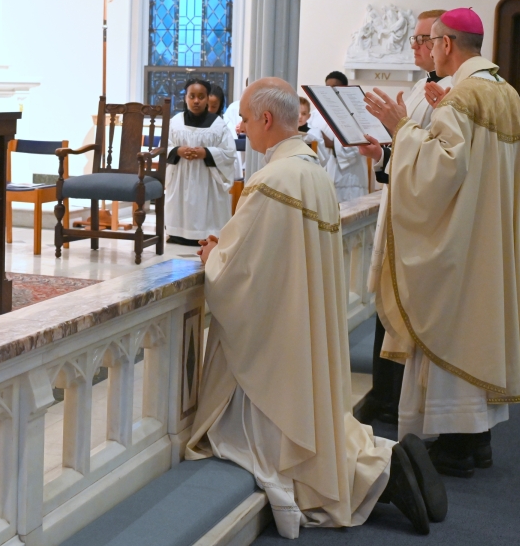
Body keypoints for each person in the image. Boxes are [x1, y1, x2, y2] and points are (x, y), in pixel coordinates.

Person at [187, 77, 446, 538]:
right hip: (301, 324)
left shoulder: (273, 180)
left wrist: (214, 256)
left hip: (277, 342)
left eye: (246, 118)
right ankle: (387, 458)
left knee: (257, 441)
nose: (242, 127)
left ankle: (381, 478)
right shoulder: (311, 171)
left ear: (266, 119)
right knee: (314, 423)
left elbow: (240, 270)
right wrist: (228, 246)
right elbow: (270, 249)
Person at [360, 8, 520, 478]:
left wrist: (402, 126)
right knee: (481, 327)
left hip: (462, 241)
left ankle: (458, 447)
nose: (430, 49)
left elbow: (440, 172)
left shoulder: (463, 97)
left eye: (432, 41)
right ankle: (476, 442)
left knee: (454, 325)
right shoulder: (506, 93)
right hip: (489, 236)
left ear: (447, 44)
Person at [355, 9, 454, 427]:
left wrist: (395, 143)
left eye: (421, 39)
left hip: (421, 222)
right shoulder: (419, 89)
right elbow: (409, 151)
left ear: (443, 43)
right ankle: (384, 393)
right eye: (412, 39)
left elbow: (438, 162)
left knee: (405, 309)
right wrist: (381, 154)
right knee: (385, 304)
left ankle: (394, 399)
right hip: (399, 208)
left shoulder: (452, 95)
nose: (414, 46)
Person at [165, 79, 236, 246]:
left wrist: (207, 152)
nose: (196, 101)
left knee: (207, 208)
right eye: (192, 96)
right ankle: (177, 234)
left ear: (207, 99)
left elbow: (229, 153)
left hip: (208, 178)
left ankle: (209, 234)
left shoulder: (218, 125)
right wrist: (178, 150)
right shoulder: (175, 122)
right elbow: (164, 146)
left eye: (201, 97)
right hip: (181, 175)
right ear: (185, 98)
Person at [310, 71, 369, 203]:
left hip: (350, 179)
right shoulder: (316, 114)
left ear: (344, 89)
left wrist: (330, 143)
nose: (330, 91)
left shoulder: (355, 114)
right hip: (324, 177)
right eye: (327, 87)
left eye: (334, 87)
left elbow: (355, 147)